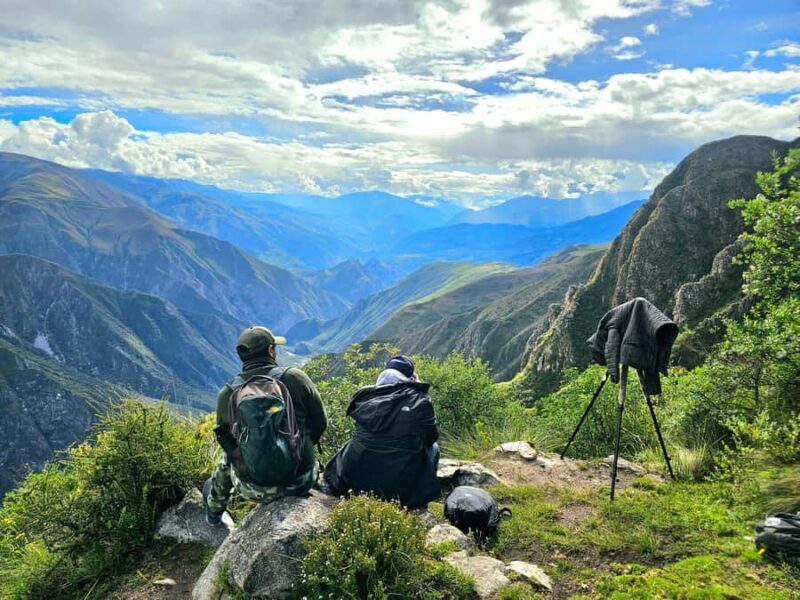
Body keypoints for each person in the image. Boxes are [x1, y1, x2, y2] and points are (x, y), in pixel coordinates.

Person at [203, 326, 327, 524]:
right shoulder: (295, 378)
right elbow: (320, 422)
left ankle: (214, 512)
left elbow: (228, 442)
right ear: (271, 351)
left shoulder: (227, 394)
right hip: (301, 480)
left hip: (253, 488)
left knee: (228, 454)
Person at [323, 355, 440, 508]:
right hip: (397, 488)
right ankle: (420, 501)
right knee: (434, 448)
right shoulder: (420, 400)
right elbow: (430, 438)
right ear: (411, 377)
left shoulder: (365, 396)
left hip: (352, 480)